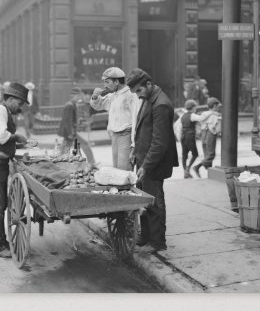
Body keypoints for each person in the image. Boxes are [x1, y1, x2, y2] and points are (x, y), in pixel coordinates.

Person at [0, 82, 37, 259]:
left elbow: (3, 139)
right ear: (11, 99)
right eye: (19, 104)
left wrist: (21, 143)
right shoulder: (0, 110)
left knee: (0, 204)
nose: (20, 108)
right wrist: (17, 136)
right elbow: (0, 136)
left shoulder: (5, 112)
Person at [126, 68, 178, 252]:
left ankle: (157, 242)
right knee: (143, 200)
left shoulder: (161, 104)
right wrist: (134, 151)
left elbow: (159, 142)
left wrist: (146, 166)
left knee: (154, 201)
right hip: (144, 160)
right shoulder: (149, 98)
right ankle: (145, 235)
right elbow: (143, 130)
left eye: (139, 91)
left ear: (148, 84)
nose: (138, 96)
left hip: (154, 163)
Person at [90, 67, 139, 171]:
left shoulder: (130, 95)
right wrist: (95, 96)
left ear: (116, 81)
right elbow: (99, 105)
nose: (105, 85)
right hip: (114, 137)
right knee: (116, 172)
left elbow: (135, 119)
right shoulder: (113, 96)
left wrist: (134, 144)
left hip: (126, 136)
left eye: (107, 82)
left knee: (124, 172)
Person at [174, 100, 214, 178]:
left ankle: (185, 172)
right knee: (195, 154)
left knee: (184, 155)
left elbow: (177, 125)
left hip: (183, 137)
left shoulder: (183, 115)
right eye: (195, 107)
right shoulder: (192, 115)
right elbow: (201, 118)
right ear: (193, 108)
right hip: (190, 137)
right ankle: (188, 169)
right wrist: (211, 113)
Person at [58, 87, 96, 164]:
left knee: (64, 149)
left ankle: (59, 162)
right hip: (70, 132)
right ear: (74, 96)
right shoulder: (70, 105)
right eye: (78, 96)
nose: (79, 98)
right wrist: (70, 133)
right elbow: (67, 121)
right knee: (84, 144)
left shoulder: (72, 104)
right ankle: (92, 163)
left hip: (70, 131)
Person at [192, 97, 222, 178]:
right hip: (210, 135)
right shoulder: (215, 116)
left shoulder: (203, 114)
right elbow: (218, 129)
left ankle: (210, 174)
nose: (219, 107)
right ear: (214, 106)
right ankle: (197, 167)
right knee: (211, 155)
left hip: (203, 135)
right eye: (218, 106)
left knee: (206, 155)